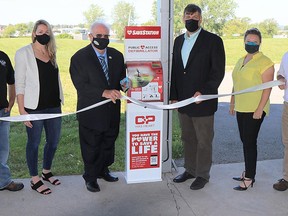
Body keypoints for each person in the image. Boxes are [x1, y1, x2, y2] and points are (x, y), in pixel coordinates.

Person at [170, 4, 225, 190]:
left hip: (203, 101)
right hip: (184, 101)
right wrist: (174, 96)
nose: (190, 19)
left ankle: (202, 174)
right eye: (187, 16)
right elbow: (176, 71)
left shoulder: (213, 41)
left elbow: (217, 72)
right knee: (188, 138)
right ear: (183, 18)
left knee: (203, 140)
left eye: (194, 16)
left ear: (200, 19)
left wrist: (206, 91)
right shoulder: (178, 41)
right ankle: (190, 170)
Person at [69, 21, 126, 192]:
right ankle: (91, 177)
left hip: (112, 111)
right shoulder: (79, 58)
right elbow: (81, 85)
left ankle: (103, 170)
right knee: (91, 146)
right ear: (90, 36)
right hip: (91, 112)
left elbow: (121, 79)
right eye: (99, 36)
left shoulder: (116, 55)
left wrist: (126, 84)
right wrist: (105, 92)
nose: (103, 39)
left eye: (106, 36)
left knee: (109, 143)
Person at [14, 19, 64, 195]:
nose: (44, 34)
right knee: (34, 143)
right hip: (34, 108)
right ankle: (35, 179)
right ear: (34, 33)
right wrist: (22, 111)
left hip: (54, 106)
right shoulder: (23, 53)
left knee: (53, 141)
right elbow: (19, 83)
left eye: (47, 31)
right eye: (40, 31)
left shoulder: (51, 52)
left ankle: (46, 171)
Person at [229, 28, 274, 191]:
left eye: (255, 41)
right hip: (241, 106)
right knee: (245, 140)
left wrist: (260, 109)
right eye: (248, 41)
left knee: (249, 142)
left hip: (254, 109)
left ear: (260, 42)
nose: (251, 44)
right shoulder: (242, 59)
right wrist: (232, 101)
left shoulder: (265, 62)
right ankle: (247, 171)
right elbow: (236, 81)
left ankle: (249, 177)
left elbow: (267, 88)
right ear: (244, 41)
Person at [0, 50, 24, 192]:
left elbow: (11, 80)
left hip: (3, 111)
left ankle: (3, 181)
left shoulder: (3, 56)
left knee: (3, 149)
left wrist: (11, 100)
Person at [273, 52, 288, 191]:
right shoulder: (286, 55)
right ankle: (287, 178)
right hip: (287, 105)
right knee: (287, 143)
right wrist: (280, 78)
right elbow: (280, 73)